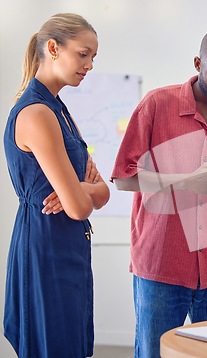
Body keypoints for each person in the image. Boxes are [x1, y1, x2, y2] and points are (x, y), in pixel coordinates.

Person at [111, 29, 207, 357]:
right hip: (160, 265)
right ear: (198, 64)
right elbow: (123, 178)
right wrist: (186, 182)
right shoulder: (156, 105)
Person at [3, 13, 110, 357]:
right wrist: (83, 191)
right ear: (53, 48)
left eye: (93, 57)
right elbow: (79, 206)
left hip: (67, 244)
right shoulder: (37, 113)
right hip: (46, 246)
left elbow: (102, 192)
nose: (90, 64)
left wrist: (85, 190)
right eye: (83, 54)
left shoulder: (59, 110)